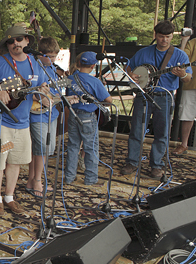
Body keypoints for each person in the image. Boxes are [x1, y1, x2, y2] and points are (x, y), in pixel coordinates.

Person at [0, 25, 49, 215]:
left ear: (27, 41)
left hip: (23, 121)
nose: (15, 43)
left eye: (19, 39)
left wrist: (42, 93)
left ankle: (10, 197)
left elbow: (40, 91)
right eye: (11, 41)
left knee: (15, 162)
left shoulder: (34, 63)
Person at [120, 20, 192, 178]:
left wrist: (183, 75)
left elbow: (188, 78)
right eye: (161, 36)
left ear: (172, 36)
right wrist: (131, 75)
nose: (164, 40)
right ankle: (132, 162)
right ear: (156, 35)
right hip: (143, 95)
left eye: (168, 36)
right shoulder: (144, 52)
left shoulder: (180, 55)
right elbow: (128, 68)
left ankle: (156, 165)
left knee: (162, 132)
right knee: (136, 130)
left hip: (164, 96)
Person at [64, 52, 113, 185]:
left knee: (73, 146)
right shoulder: (94, 81)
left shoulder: (70, 78)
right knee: (91, 147)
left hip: (73, 115)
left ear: (79, 63)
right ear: (93, 66)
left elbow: (68, 97)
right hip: (88, 116)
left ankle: (69, 177)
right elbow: (109, 100)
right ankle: (90, 179)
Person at [26, 37, 61, 197]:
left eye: (55, 56)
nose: (52, 59)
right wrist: (40, 97)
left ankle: (32, 179)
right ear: (40, 53)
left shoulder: (52, 68)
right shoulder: (33, 67)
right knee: (42, 148)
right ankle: (38, 181)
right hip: (37, 114)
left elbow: (53, 91)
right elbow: (26, 91)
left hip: (51, 113)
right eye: (49, 55)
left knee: (45, 148)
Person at [174, 36, 196, 155]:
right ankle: (184, 144)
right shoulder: (193, 43)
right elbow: (182, 58)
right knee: (187, 114)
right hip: (191, 83)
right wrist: (184, 41)